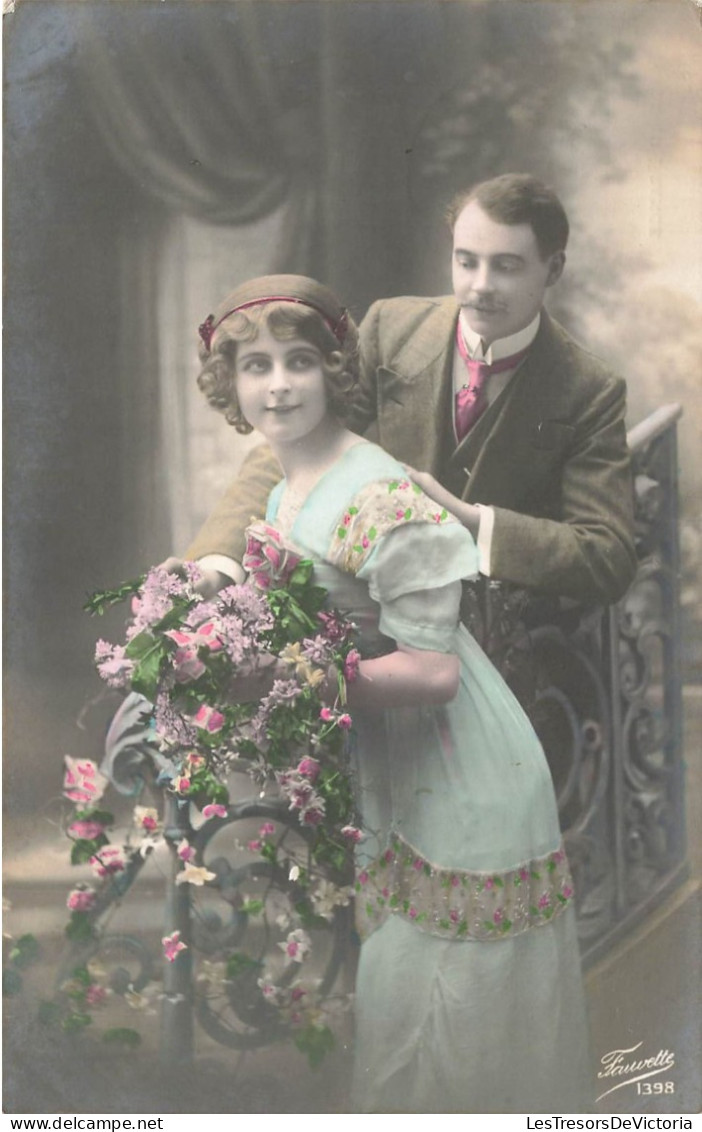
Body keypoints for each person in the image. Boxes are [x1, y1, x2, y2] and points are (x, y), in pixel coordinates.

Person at [194, 273, 593, 1113]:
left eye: (299, 362)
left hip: (465, 769)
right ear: (228, 383)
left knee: (457, 1028)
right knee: (407, 1014)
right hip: (407, 763)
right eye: (256, 366)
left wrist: (292, 684)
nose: (277, 385)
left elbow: (435, 671)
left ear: (334, 373)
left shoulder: (377, 495)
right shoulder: (287, 484)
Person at [181, 174, 636, 610]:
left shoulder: (589, 390)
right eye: (466, 261)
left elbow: (607, 556)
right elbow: (292, 447)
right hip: (371, 610)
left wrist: (472, 521)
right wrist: (217, 564)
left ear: (552, 268)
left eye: (506, 266)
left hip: (509, 637)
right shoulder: (393, 329)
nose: (480, 286)